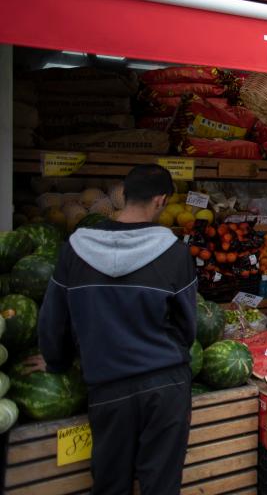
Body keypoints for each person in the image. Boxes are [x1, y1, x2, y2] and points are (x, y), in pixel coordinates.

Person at [34, 164, 197, 494]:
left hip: (108, 386)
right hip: (165, 385)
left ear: (123, 194)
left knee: (109, 484)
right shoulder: (175, 254)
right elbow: (187, 326)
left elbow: (54, 320)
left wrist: (56, 361)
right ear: (161, 200)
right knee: (162, 485)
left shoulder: (75, 250)